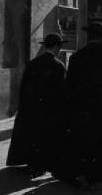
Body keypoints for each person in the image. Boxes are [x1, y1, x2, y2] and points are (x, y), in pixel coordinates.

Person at [53, 21, 102, 184]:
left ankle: (86, 172)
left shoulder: (76, 57)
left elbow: (70, 85)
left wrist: (67, 106)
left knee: (85, 139)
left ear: (88, 37)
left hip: (84, 107)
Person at [6, 33, 67, 176]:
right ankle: (43, 163)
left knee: (32, 134)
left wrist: (22, 105)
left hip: (32, 106)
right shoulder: (58, 65)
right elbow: (62, 90)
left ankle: (31, 161)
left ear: (45, 45)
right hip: (50, 108)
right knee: (46, 135)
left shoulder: (33, 63)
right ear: (57, 47)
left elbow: (24, 86)